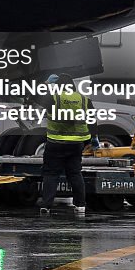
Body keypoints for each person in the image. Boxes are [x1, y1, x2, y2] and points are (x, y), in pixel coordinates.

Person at [34, 74, 99, 215]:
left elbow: (36, 96)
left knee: (51, 174)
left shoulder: (54, 98)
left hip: (55, 143)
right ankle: (80, 205)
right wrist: (94, 138)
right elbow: (92, 121)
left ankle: (46, 206)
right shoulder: (84, 100)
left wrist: (45, 83)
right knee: (75, 174)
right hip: (76, 145)